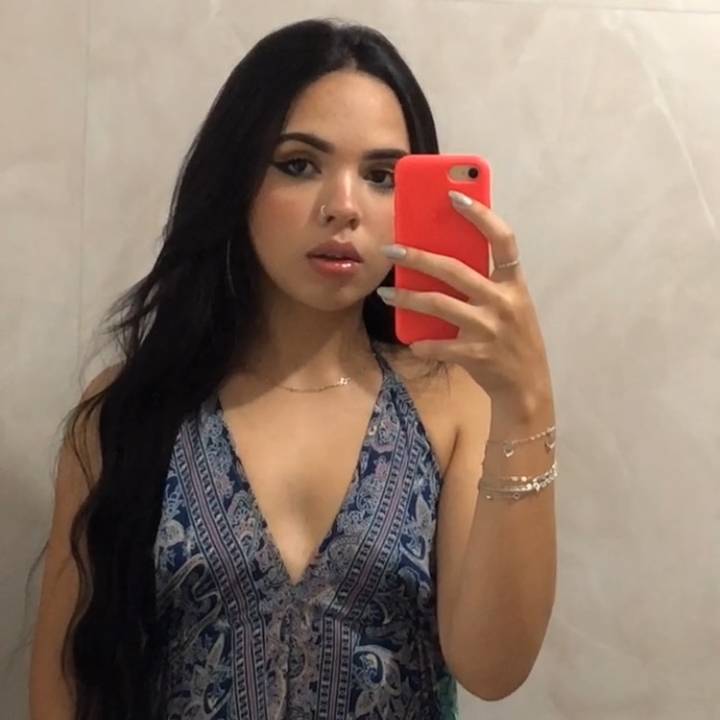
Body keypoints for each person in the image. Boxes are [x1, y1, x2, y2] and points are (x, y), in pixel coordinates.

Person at [28, 17, 557, 720]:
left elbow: (493, 667)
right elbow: (65, 686)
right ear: (237, 178)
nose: (343, 208)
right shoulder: (130, 412)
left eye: (382, 176)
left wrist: (526, 402)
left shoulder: (452, 403)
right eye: (299, 164)